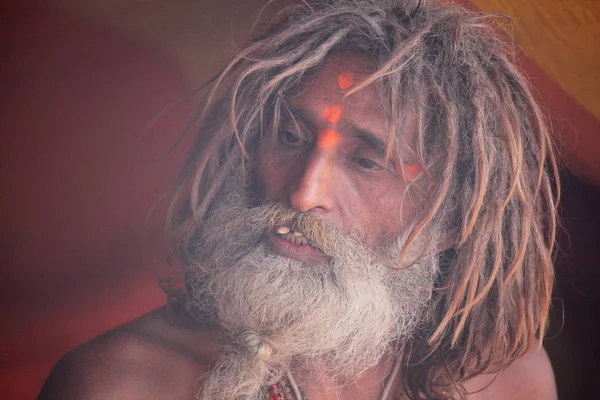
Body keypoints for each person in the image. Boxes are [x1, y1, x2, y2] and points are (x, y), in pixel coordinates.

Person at [38, 0, 560, 399]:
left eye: (367, 162)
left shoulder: (505, 380)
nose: (304, 192)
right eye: (289, 136)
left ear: (450, 216)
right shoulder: (123, 383)